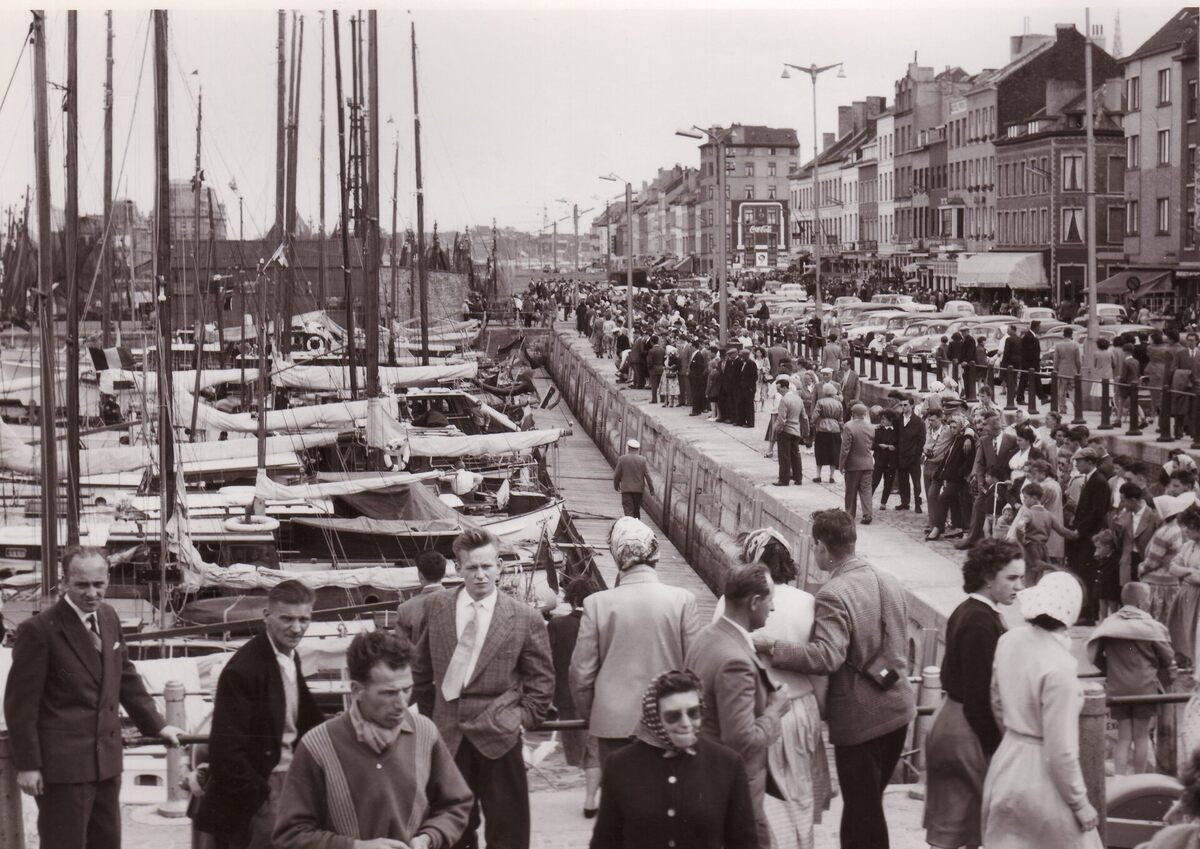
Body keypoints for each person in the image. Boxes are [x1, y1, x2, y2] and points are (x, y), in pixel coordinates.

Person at [755, 509, 916, 849]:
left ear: (822, 547)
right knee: (864, 807)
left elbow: (827, 656)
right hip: (899, 708)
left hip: (861, 720)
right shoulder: (889, 579)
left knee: (864, 812)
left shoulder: (833, 593)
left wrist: (773, 647)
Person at [4, 547, 184, 849]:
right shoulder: (39, 631)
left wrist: (159, 725)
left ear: (108, 580)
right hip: (63, 770)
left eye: (98, 584)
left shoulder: (108, 617)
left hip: (107, 764)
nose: (92, 593)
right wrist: (28, 765)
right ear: (64, 582)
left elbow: (125, 677)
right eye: (82, 585)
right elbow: (20, 705)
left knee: (107, 843)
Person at [412, 528, 555, 849]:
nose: (480, 575)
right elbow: (419, 672)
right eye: (472, 567)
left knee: (509, 834)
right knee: (451, 833)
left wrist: (518, 720)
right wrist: (430, 721)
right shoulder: (435, 607)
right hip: (448, 737)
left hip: (500, 737)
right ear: (458, 568)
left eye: (487, 566)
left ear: (499, 567)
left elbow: (542, 681)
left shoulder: (524, 617)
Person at [273, 630, 473, 849]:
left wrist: (428, 838)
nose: (402, 703)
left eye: (407, 689)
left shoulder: (426, 732)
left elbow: (456, 804)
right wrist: (355, 847)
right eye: (389, 693)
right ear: (356, 690)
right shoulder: (316, 746)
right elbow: (290, 834)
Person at [194, 580, 326, 848]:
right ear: (267, 616)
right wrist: (262, 797)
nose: (297, 628)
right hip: (264, 788)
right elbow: (226, 753)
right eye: (287, 619)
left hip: (289, 780)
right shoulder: (243, 670)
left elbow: (309, 721)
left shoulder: (289, 657)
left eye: (304, 619)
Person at [981, 571, 1103, 849]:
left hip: (1007, 759)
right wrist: (1080, 803)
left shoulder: (1009, 640)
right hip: (1043, 775)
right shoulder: (1060, 666)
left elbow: (997, 701)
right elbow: (1061, 751)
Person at [570, 516, 701, 766]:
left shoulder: (596, 604)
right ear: (656, 554)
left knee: (620, 789)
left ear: (617, 557)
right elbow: (695, 668)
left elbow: (581, 675)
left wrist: (594, 715)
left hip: (614, 725)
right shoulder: (683, 601)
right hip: (668, 723)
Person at [923, 539, 1025, 849]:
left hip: (953, 720)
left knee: (959, 822)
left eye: (1021, 578)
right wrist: (995, 745)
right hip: (966, 729)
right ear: (987, 577)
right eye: (1011, 578)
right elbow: (979, 695)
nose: (1019, 586)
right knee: (964, 823)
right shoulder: (981, 621)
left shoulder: (969, 611)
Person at [588, 671, 759, 849]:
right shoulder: (620, 765)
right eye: (673, 716)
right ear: (654, 718)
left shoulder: (727, 763)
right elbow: (605, 841)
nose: (686, 723)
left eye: (694, 713)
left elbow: (744, 843)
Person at [686, 561, 789, 848]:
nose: (773, 608)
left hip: (705, 779)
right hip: (736, 793)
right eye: (770, 600)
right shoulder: (736, 661)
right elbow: (741, 739)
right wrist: (775, 709)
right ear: (754, 602)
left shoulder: (705, 637)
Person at [1086, 582, 1176, 776]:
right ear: (1142, 602)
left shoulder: (1109, 625)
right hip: (1145, 689)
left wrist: (1112, 670)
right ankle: (1139, 780)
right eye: (1148, 598)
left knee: (1124, 738)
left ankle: (1120, 780)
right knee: (1141, 737)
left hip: (1118, 689)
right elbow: (1168, 657)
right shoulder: (1151, 627)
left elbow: (1095, 655)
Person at [957, 412, 1018, 550]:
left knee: (1002, 512)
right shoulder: (984, 440)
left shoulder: (1011, 439)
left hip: (1005, 483)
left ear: (995, 428)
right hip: (988, 483)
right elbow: (979, 463)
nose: (985, 430)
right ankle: (972, 538)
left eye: (987, 428)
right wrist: (980, 482)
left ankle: (1001, 541)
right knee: (978, 506)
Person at [1067, 447, 1112, 623]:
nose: (1076, 464)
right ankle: (1084, 611)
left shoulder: (1098, 481)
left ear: (1090, 462)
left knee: (1087, 573)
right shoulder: (1091, 479)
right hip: (1086, 534)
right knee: (1082, 571)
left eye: (1079, 461)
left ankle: (1088, 614)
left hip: (1090, 536)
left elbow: (1097, 512)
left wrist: (1080, 529)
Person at [1009, 482, 1078, 585]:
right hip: (1042, 549)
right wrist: (1076, 534)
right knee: (1039, 578)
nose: (1024, 500)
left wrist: (1022, 541)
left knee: (1029, 579)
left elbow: (1019, 526)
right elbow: (1062, 531)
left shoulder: (1028, 513)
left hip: (1030, 549)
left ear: (1034, 498)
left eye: (1026, 497)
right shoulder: (1048, 515)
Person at [396, 550, 449, 643]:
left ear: (420, 575)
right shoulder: (458, 601)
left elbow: (401, 646)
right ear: (444, 574)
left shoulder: (405, 609)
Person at [840, 402, 876, 524]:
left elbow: (845, 448)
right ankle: (867, 514)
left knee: (851, 490)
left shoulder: (849, 426)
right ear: (865, 414)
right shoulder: (870, 427)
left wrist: (842, 464)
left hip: (853, 464)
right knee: (866, 490)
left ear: (853, 413)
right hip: (868, 463)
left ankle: (850, 514)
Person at [775, 376, 809, 487]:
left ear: (785, 388)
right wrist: (806, 431)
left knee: (784, 456)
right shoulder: (798, 399)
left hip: (785, 431)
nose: (778, 391)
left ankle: (784, 479)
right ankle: (798, 478)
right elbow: (804, 417)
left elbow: (781, 419)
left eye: (779, 389)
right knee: (796, 455)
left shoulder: (784, 400)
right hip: (796, 430)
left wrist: (778, 429)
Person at [895, 396, 926, 513]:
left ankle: (918, 504)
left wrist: (917, 454)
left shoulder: (919, 422)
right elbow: (896, 437)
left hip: (913, 457)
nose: (903, 407)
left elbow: (922, 440)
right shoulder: (898, 420)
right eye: (901, 405)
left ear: (912, 406)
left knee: (916, 482)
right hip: (901, 456)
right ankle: (905, 502)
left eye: (905, 405)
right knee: (903, 481)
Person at [811, 384, 844, 484]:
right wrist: (842, 428)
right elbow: (840, 418)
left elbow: (815, 415)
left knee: (820, 452)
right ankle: (831, 476)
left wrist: (812, 422)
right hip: (835, 428)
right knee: (833, 452)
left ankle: (818, 475)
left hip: (822, 428)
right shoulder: (838, 403)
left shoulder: (820, 402)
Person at [613, 439, 653, 519]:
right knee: (636, 510)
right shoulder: (642, 460)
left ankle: (630, 524)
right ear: (638, 449)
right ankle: (636, 522)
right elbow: (648, 476)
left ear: (628, 448)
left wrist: (616, 486)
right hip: (638, 491)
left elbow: (617, 475)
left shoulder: (622, 459)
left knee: (628, 510)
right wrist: (651, 489)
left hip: (626, 490)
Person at [871, 407, 899, 510]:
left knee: (888, 483)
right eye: (881, 419)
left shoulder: (897, 432)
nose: (882, 421)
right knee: (874, 481)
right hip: (879, 460)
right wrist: (881, 446)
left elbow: (899, 446)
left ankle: (883, 502)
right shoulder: (878, 430)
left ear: (890, 420)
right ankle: (868, 499)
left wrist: (893, 448)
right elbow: (872, 445)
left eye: (884, 419)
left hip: (891, 462)